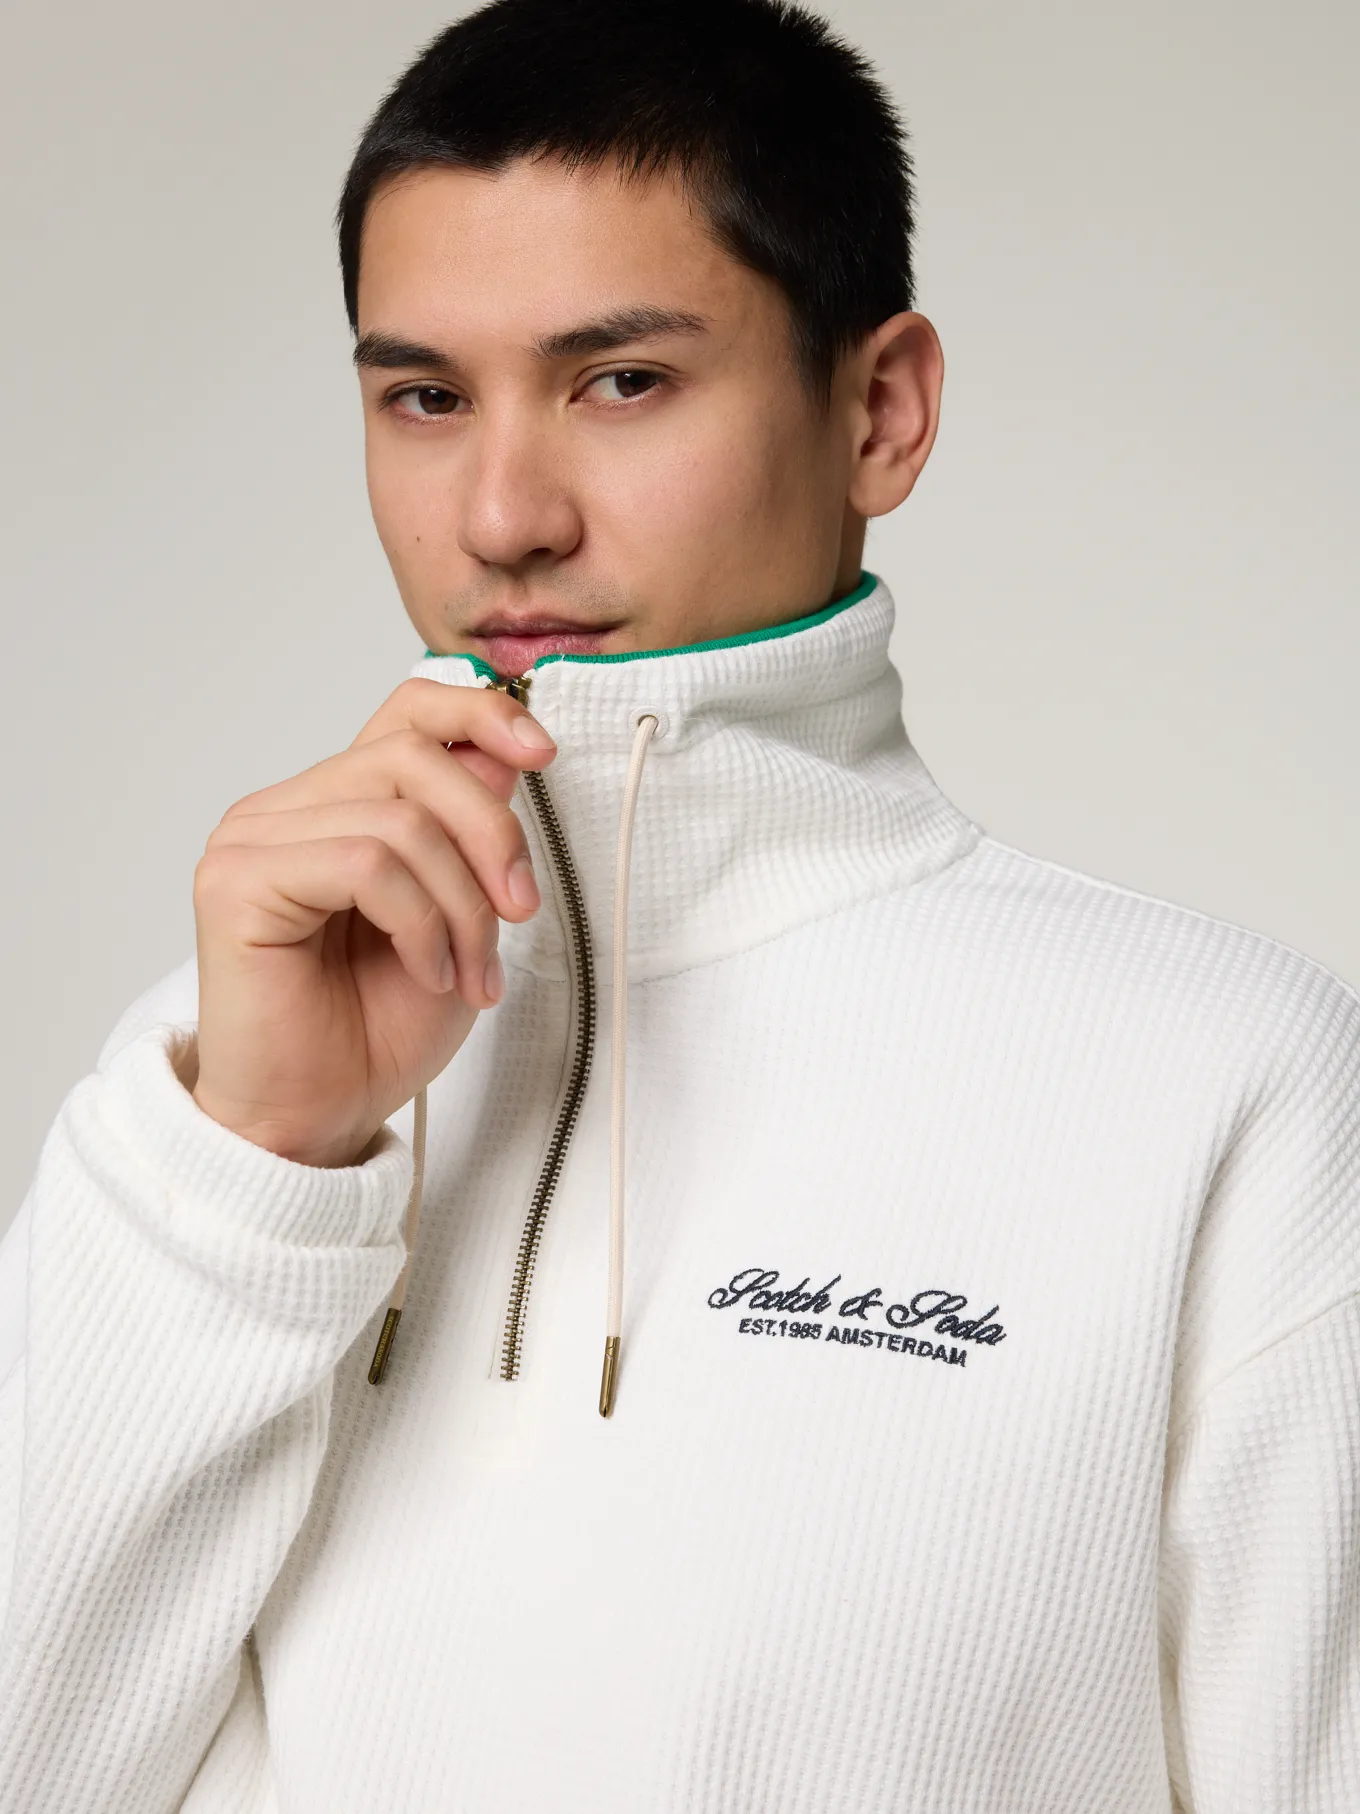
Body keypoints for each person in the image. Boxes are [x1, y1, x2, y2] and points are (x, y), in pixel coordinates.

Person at [1, 0, 1356, 1807]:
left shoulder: (1229, 1084)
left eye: (620, 381)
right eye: (425, 397)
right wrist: (255, 1161)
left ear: (881, 411)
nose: (502, 514)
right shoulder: (217, 1076)